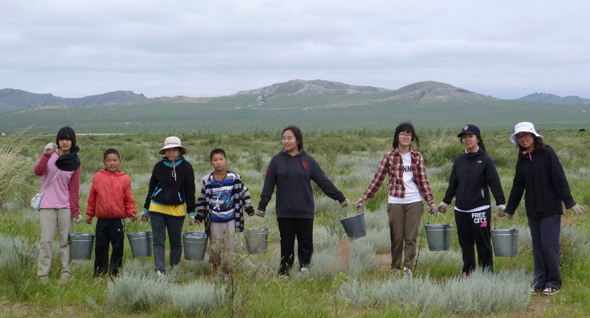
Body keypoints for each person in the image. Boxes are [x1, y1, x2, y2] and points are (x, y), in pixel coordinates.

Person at [500, 122, 585, 296]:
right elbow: (518, 185)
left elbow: (559, 178)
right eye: (520, 137)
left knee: (549, 245)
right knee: (537, 247)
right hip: (533, 209)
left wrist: (569, 202)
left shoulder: (548, 153)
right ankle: (539, 281)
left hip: (550, 209)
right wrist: (510, 209)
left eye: (526, 135)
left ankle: (554, 282)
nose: (523, 139)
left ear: (534, 136)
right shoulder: (523, 158)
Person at [256, 126, 350, 276]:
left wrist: (340, 197)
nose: (285, 141)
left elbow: (323, 181)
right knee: (286, 242)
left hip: (305, 209)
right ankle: (285, 271)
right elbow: (268, 184)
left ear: (298, 140)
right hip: (284, 210)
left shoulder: (308, 161)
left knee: (306, 242)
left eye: (289, 138)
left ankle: (305, 268)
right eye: (284, 138)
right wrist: (262, 206)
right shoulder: (276, 161)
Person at [356, 122, 436, 277]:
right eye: (402, 134)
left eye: (408, 134)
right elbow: (378, 179)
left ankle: (408, 268)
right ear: (397, 136)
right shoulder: (389, 157)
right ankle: (395, 267)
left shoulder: (417, 157)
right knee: (396, 236)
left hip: (414, 201)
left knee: (411, 236)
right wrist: (365, 196)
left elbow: (423, 181)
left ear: (412, 138)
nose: (406, 137)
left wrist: (430, 201)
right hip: (395, 202)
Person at [438, 124, 505, 276]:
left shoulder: (486, 160)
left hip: (479, 209)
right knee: (465, 243)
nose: (467, 140)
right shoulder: (459, 161)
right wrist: (446, 201)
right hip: (461, 210)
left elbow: (494, 183)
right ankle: (468, 270)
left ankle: (486, 272)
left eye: (470, 137)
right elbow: (453, 184)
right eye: (464, 137)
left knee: (483, 242)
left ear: (478, 139)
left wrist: (500, 203)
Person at [195, 148, 256, 281]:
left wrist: (249, 207)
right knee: (215, 249)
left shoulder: (234, 178)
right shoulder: (208, 180)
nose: (218, 163)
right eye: (215, 160)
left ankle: (227, 273)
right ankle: (215, 272)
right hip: (214, 221)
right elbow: (203, 199)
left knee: (229, 249)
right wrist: (199, 215)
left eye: (221, 159)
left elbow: (244, 193)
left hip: (230, 220)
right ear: (211, 163)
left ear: (226, 161)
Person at [140, 136, 196, 275]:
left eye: (174, 150)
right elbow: (151, 188)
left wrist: (191, 212)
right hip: (156, 208)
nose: (171, 153)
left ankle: (174, 270)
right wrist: (146, 209)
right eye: (168, 150)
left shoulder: (187, 167)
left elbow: (190, 191)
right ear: (164, 152)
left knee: (176, 242)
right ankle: (159, 270)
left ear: (180, 151)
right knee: (158, 241)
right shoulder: (158, 167)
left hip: (177, 211)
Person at [33, 126, 82, 284]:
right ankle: (42, 275)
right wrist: (45, 154)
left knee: (65, 241)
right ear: (57, 141)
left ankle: (66, 273)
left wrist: (75, 212)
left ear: (72, 141)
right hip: (47, 204)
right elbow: (38, 171)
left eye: (68, 139)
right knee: (46, 241)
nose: (65, 142)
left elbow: (74, 190)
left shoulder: (75, 162)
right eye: (62, 139)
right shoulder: (50, 156)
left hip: (65, 206)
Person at [86, 148, 137, 278]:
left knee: (117, 247)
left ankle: (115, 273)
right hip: (102, 220)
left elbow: (128, 198)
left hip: (118, 220)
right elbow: (93, 197)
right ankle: (100, 273)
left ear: (120, 161)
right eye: (108, 160)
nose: (112, 163)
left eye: (114, 160)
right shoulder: (98, 177)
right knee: (100, 247)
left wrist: (131, 212)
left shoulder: (125, 179)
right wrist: (90, 214)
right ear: (104, 162)